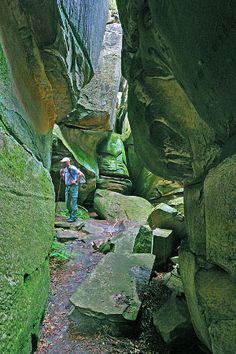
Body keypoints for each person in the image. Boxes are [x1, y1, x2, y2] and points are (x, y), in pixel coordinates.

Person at [60, 157, 84, 222]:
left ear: (68, 162)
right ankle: (70, 215)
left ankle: (74, 217)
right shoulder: (65, 169)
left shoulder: (72, 168)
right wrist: (61, 174)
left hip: (73, 187)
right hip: (67, 187)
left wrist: (76, 181)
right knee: (67, 203)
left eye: (64, 162)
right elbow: (65, 179)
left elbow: (81, 174)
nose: (63, 164)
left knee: (73, 202)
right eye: (63, 163)